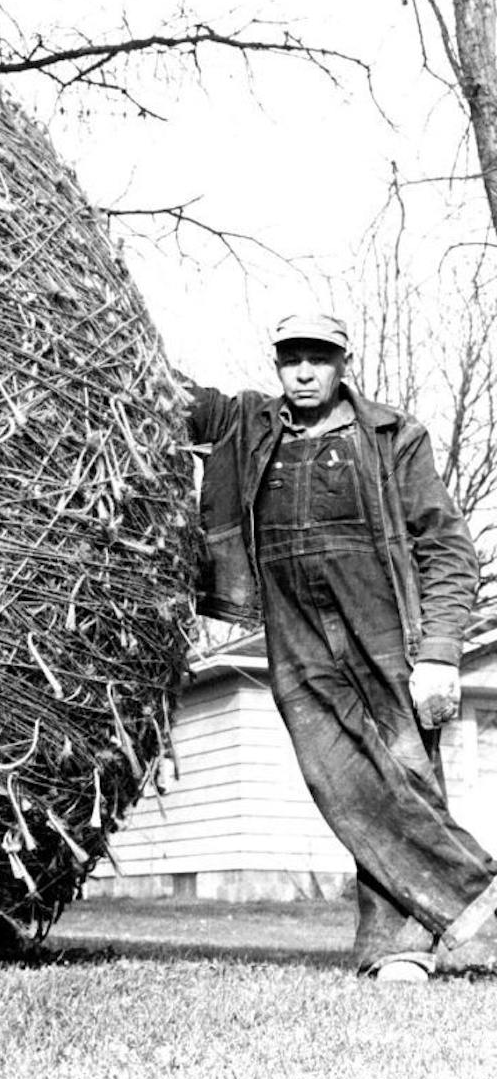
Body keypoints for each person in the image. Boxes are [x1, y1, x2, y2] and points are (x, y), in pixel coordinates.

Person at [180, 312, 494, 983]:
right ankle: (469, 915)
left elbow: (447, 546)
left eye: (317, 359)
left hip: (383, 625)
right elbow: (174, 403)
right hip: (295, 630)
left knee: (406, 775)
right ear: (276, 364)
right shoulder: (248, 426)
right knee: (340, 777)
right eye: (291, 358)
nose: (303, 372)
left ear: (343, 363)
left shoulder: (393, 436)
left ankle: (398, 946)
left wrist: (439, 650)